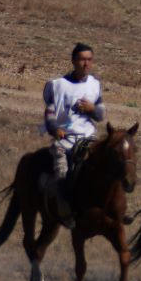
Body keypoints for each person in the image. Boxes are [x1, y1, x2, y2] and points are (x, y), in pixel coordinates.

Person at [41, 43, 106, 228]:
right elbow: (50, 113)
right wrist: (55, 128)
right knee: (62, 173)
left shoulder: (95, 84)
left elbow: (101, 115)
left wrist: (92, 109)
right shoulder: (57, 85)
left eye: (89, 60)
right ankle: (65, 212)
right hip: (65, 140)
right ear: (73, 61)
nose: (86, 64)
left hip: (89, 138)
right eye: (82, 59)